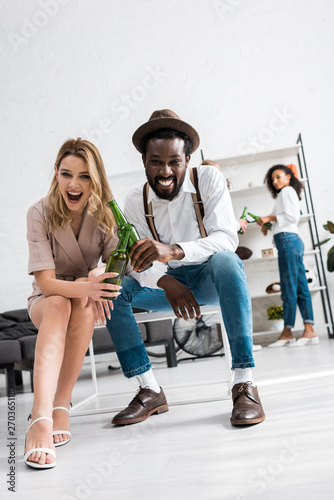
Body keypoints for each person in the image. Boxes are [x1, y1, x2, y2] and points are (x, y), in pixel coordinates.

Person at [105, 109, 265, 427]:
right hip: (164, 285)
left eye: (174, 161)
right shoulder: (135, 201)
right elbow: (137, 264)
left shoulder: (208, 179)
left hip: (210, 277)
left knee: (227, 260)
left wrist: (174, 250)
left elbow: (226, 238)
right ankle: (149, 389)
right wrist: (166, 281)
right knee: (112, 288)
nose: (165, 171)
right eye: (156, 161)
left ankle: (244, 382)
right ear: (144, 162)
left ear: (187, 159)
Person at [24, 138, 124, 469]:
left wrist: (100, 276)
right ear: (55, 173)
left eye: (84, 176)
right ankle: (40, 415)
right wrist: (86, 285)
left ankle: (61, 404)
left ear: (94, 179)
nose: (74, 184)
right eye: (67, 174)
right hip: (47, 300)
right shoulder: (38, 212)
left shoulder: (106, 214)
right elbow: (46, 283)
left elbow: (115, 265)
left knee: (79, 303)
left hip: (86, 299)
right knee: (58, 304)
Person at [256, 164, 318, 348]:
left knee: (289, 286)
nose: (275, 181)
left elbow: (292, 216)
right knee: (300, 287)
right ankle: (309, 330)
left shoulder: (287, 191)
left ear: (289, 176)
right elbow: (286, 218)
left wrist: (269, 218)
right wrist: (269, 225)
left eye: (278, 177)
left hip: (288, 242)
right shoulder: (287, 193)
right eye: (272, 179)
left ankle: (287, 332)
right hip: (290, 241)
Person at [201, 159, 248, 234]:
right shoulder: (213, 195)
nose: (219, 175)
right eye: (217, 172)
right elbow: (221, 223)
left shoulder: (202, 193)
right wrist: (238, 224)